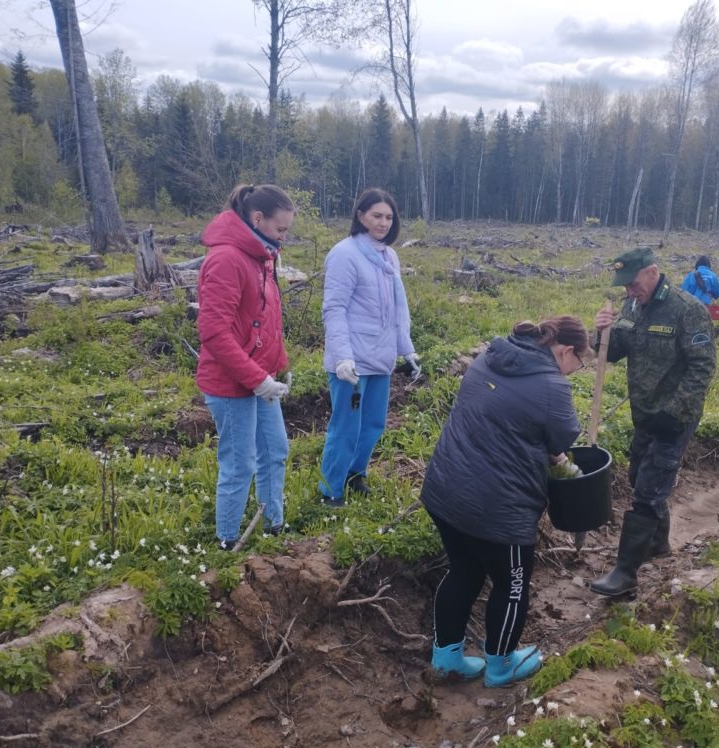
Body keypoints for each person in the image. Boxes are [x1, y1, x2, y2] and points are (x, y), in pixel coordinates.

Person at [421, 317, 590, 687]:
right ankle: (501, 664)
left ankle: (446, 656)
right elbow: (561, 436)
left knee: (463, 570)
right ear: (566, 350)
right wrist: (563, 464)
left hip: (445, 489)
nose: (573, 373)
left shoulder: (492, 355)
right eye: (577, 365)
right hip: (498, 508)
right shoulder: (552, 386)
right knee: (512, 584)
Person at [590, 247, 716, 598]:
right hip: (645, 413)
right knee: (637, 477)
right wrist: (600, 332)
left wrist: (675, 411)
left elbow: (703, 367)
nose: (629, 291)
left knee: (647, 490)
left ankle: (625, 574)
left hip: (675, 417)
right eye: (625, 287)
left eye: (632, 284)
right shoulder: (633, 306)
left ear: (652, 272)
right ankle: (658, 544)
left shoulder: (688, 310)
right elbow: (613, 350)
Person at [197, 184, 296, 550]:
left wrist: (278, 365)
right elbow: (215, 333)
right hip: (230, 384)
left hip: (260, 379)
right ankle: (228, 541)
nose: (284, 237)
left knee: (276, 451)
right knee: (240, 465)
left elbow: (264, 320)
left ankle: (273, 527)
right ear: (258, 219)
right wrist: (257, 379)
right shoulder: (227, 259)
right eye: (281, 229)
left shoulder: (262, 256)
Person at [320, 188, 419, 506]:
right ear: (360, 215)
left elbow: (398, 309)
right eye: (376, 215)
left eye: (389, 217)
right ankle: (330, 491)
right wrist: (342, 357)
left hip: (381, 357)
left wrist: (407, 349)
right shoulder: (344, 254)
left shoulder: (389, 256)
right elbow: (334, 309)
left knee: (373, 422)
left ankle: (354, 475)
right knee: (346, 426)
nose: (383, 223)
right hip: (351, 361)